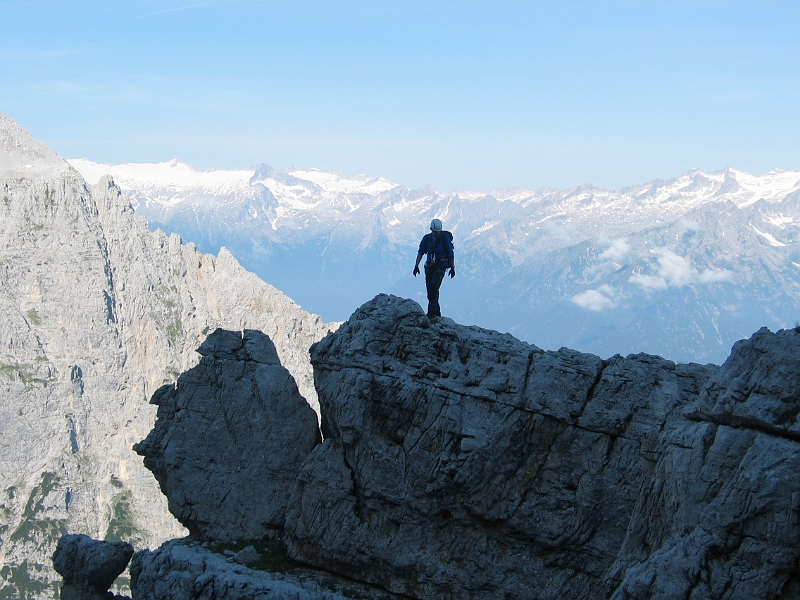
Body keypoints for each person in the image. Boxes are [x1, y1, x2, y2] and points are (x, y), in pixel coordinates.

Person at [413, 218, 455, 320]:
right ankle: (437, 313)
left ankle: (431, 313)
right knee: (430, 291)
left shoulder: (445, 239)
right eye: (435, 231)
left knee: (433, 287)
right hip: (429, 267)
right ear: (431, 229)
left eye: (437, 232)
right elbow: (421, 252)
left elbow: (450, 254)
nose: (436, 233)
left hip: (440, 267)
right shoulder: (426, 239)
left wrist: (452, 267)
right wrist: (416, 265)